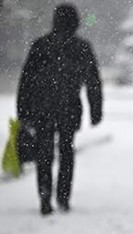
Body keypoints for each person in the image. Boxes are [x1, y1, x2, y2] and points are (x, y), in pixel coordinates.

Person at [17, 3, 102, 215]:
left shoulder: (41, 45)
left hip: (42, 108)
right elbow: (93, 82)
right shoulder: (82, 47)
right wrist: (95, 110)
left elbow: (26, 80)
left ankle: (45, 195)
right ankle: (63, 196)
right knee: (66, 151)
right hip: (69, 108)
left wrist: (23, 111)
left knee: (44, 153)